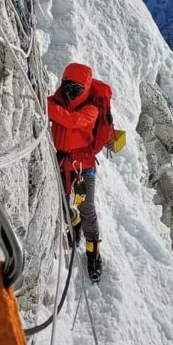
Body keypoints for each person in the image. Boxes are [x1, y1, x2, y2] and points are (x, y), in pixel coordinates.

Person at [48, 63, 112, 281]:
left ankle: (94, 253)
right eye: (67, 86)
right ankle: (73, 222)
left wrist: (43, 104)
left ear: (85, 89)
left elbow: (71, 120)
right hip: (63, 162)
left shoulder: (91, 109)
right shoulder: (57, 101)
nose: (69, 92)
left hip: (83, 166)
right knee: (62, 202)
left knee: (87, 208)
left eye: (75, 89)